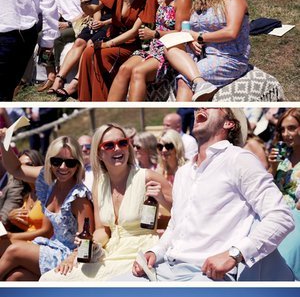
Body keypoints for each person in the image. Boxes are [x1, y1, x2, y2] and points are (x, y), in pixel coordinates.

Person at [118, 107, 294, 282]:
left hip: (207, 274)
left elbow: (281, 216)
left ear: (229, 123)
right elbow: (175, 226)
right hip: (165, 268)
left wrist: (235, 254)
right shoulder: (183, 172)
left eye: (213, 106)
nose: (200, 108)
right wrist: (155, 252)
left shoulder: (239, 159)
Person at [41, 123, 172, 282]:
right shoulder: (99, 184)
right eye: (109, 145)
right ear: (99, 153)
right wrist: (88, 245)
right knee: (49, 279)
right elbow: (102, 230)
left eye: (122, 143)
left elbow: (183, 213)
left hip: (140, 253)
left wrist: (162, 200)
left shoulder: (147, 177)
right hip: (110, 252)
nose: (117, 148)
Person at [0, 133, 93, 280]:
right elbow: (15, 169)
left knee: (13, 250)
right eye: (57, 161)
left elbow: (87, 240)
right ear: (49, 161)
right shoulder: (49, 179)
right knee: (15, 278)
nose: (63, 167)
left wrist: (71, 258)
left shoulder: (79, 198)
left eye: (70, 163)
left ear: (78, 164)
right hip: (52, 246)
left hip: (67, 256)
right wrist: (4, 141)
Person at [107, 0, 192, 102]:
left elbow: (182, 32)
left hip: (170, 50)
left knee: (138, 71)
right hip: (153, 47)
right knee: (124, 69)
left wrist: (154, 33)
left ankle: (135, 113)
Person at [164, 0, 250, 101]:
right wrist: (191, 40)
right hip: (202, 53)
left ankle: (196, 88)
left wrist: (199, 37)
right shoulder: (205, 2)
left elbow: (231, 32)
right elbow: (190, 27)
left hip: (229, 57)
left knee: (184, 80)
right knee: (168, 45)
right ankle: (200, 83)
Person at [78, 0, 158, 101]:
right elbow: (93, 9)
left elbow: (134, 31)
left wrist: (107, 44)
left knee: (101, 54)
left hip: (131, 44)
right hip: (112, 37)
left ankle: (102, 100)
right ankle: (86, 99)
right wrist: (83, 4)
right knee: (88, 51)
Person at [51, 0, 120, 100]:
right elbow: (95, 9)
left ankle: (75, 83)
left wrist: (102, 23)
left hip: (113, 23)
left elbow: (122, 15)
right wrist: (96, 20)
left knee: (90, 45)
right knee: (79, 42)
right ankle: (59, 79)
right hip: (98, 20)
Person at [49, 0, 96, 94]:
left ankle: (58, 76)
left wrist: (69, 24)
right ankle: (49, 75)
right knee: (43, 35)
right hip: (64, 22)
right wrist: (53, 22)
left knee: (58, 37)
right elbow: (56, 9)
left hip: (81, 23)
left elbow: (91, 10)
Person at [268, 108, 300, 280]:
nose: (286, 134)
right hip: (276, 214)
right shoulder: (283, 157)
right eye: (282, 129)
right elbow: (267, 189)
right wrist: (272, 167)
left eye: (292, 128)